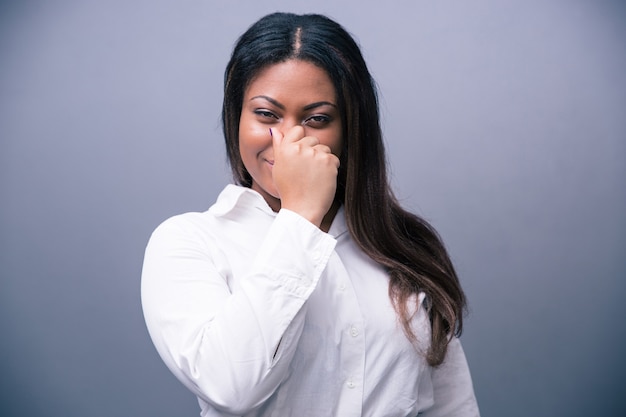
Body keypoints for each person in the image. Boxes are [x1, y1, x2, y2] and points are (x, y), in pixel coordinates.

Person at [141, 12, 480, 417]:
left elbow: (452, 407)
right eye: (266, 114)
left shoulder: (402, 248)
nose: (288, 140)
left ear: (350, 128)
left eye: (317, 119)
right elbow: (230, 387)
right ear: (237, 117)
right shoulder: (189, 242)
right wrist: (300, 215)